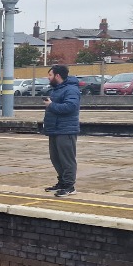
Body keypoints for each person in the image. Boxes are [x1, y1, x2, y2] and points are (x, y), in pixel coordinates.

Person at [43, 65, 81, 197]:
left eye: (50, 75)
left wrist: (51, 105)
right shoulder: (57, 89)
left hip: (66, 130)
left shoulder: (71, 90)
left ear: (57, 76)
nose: (48, 78)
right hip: (55, 129)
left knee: (67, 159)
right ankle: (62, 182)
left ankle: (69, 186)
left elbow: (70, 107)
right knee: (56, 158)